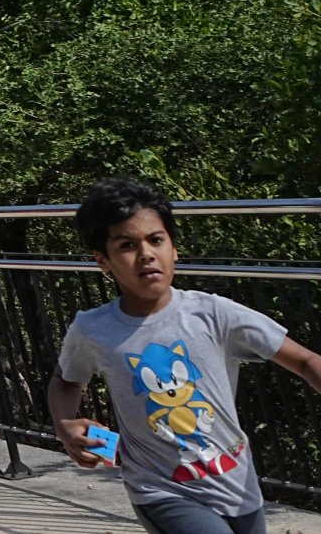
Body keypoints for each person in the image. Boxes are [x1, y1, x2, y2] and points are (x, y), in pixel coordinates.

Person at [49, 177, 321, 534]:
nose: (146, 253)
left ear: (174, 248)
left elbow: (304, 360)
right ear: (103, 260)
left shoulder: (214, 313)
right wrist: (64, 425)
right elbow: (67, 380)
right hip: (162, 490)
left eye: (155, 240)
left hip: (237, 485)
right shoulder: (93, 329)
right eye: (127, 245)